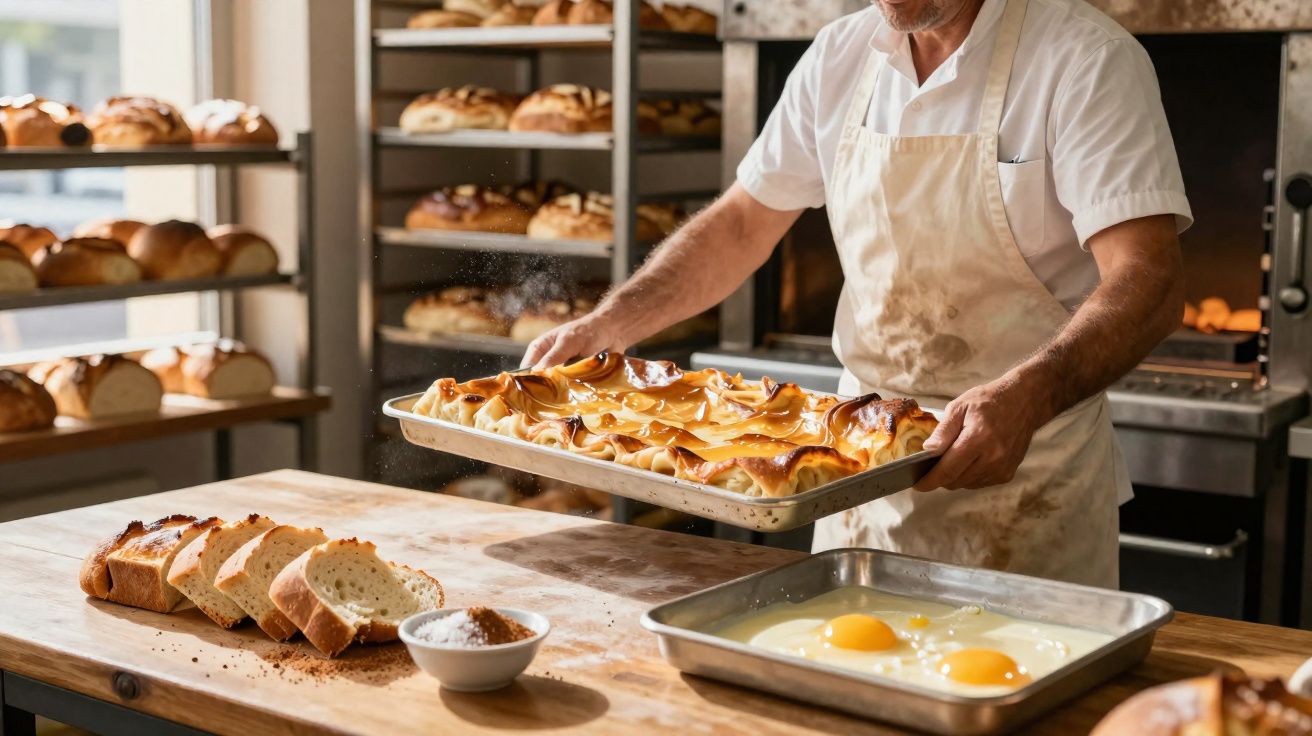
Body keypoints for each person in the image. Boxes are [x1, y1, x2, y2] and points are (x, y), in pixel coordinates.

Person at [522, 0, 1191, 588]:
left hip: (1027, 486)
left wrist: (1029, 394)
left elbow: (1150, 281)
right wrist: (613, 321)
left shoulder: (1085, 59)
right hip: (859, 474)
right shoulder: (840, 55)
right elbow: (742, 223)